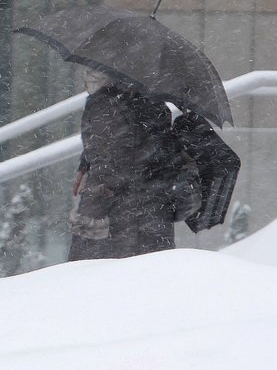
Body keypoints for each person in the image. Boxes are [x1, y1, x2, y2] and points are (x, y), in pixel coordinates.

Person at [68, 68, 191, 261]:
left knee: (96, 279)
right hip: (155, 210)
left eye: (91, 73)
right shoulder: (152, 99)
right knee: (150, 278)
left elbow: (109, 156)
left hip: (119, 215)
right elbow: (135, 145)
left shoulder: (104, 103)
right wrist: (86, 163)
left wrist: (91, 210)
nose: (87, 79)